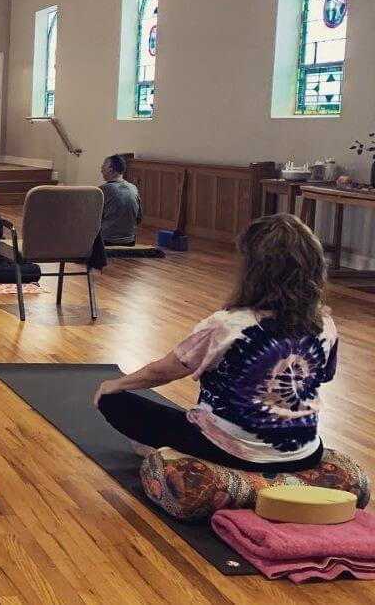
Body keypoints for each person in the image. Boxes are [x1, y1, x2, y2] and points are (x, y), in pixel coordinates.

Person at [94, 213, 337, 472]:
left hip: (234, 452)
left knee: (113, 401)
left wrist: (114, 384)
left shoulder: (229, 325)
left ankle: (180, 456)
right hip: (305, 452)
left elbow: (162, 372)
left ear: (252, 270)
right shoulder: (324, 323)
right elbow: (324, 376)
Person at [99, 154, 142, 246]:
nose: (101, 170)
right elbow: (139, 218)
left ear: (110, 170)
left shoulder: (103, 190)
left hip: (107, 241)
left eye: (103, 167)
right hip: (130, 241)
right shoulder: (133, 188)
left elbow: (92, 219)